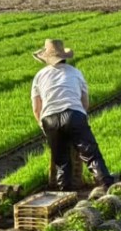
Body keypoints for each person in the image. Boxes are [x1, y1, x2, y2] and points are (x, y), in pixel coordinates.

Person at [30, 38, 113, 191]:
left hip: (50, 119)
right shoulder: (75, 73)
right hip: (73, 114)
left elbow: (36, 108)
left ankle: (65, 197)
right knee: (91, 155)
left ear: (46, 59)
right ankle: (107, 186)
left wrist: (45, 127)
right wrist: (79, 121)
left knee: (61, 161)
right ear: (64, 57)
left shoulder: (39, 76)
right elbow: (85, 101)